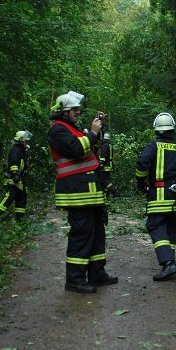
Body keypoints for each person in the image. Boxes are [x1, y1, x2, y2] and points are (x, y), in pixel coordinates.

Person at [47, 91, 118, 293]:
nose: (78, 112)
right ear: (64, 112)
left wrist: (96, 133)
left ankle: (97, 273)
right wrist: (93, 133)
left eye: (78, 109)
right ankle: (75, 280)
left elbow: (89, 150)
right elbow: (77, 149)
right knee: (81, 236)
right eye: (74, 110)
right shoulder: (57, 130)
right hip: (76, 193)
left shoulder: (73, 129)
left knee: (97, 233)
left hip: (90, 193)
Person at [135, 112, 176, 281]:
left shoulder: (153, 146)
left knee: (155, 225)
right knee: (171, 226)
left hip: (159, 194)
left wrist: (140, 181)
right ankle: (170, 260)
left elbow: (142, 163)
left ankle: (168, 263)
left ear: (157, 130)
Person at [0, 130, 32, 221]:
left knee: (22, 199)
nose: (25, 142)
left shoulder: (22, 151)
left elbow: (23, 164)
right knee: (9, 198)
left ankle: (19, 219)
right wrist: (15, 173)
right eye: (24, 141)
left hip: (21, 180)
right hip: (14, 179)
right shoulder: (15, 150)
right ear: (20, 141)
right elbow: (13, 162)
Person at [98, 132, 118, 198]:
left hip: (105, 165)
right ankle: (106, 195)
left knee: (105, 180)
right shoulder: (109, 145)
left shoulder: (104, 145)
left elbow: (103, 156)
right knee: (107, 180)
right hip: (109, 164)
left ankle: (114, 191)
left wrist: (101, 163)